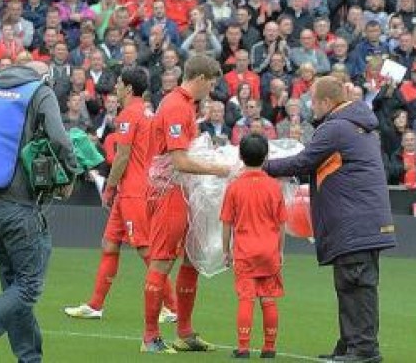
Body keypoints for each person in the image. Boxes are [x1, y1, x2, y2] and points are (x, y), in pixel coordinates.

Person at [0, 60, 78, 363]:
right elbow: (60, 139)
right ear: (44, 76)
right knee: (29, 285)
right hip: (18, 204)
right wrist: (71, 173)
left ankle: (29, 358)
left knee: (14, 284)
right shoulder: (39, 91)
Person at [264, 76, 395, 363]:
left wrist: (264, 166)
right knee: (354, 284)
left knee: (355, 284)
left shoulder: (335, 128)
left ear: (326, 101)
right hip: (365, 219)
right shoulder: (360, 126)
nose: (311, 105)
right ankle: (351, 344)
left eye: (313, 99)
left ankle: (363, 349)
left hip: (354, 221)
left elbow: (302, 162)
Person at [64, 66, 177, 322]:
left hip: (132, 191)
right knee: (110, 244)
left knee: (145, 248)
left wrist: (110, 187)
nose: (114, 86)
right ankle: (95, 305)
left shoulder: (129, 114)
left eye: (118, 83)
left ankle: (172, 306)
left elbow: (122, 156)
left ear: (127, 88)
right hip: (137, 186)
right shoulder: (148, 111)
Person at [141, 54, 231, 354]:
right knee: (162, 260)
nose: (213, 89)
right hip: (169, 192)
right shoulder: (178, 106)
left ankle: (185, 333)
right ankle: (150, 337)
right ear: (202, 78)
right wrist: (217, 168)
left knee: (192, 258)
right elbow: (179, 160)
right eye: (213, 82)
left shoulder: (182, 105)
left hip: (181, 190)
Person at [221, 134, 286, 359]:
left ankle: (244, 347)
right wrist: (280, 252)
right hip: (269, 251)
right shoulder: (274, 187)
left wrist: (225, 251)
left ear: (240, 156)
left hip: (245, 251)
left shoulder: (234, 187)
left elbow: (227, 223)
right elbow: (281, 224)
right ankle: (269, 347)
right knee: (268, 299)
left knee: (246, 299)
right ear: (266, 156)